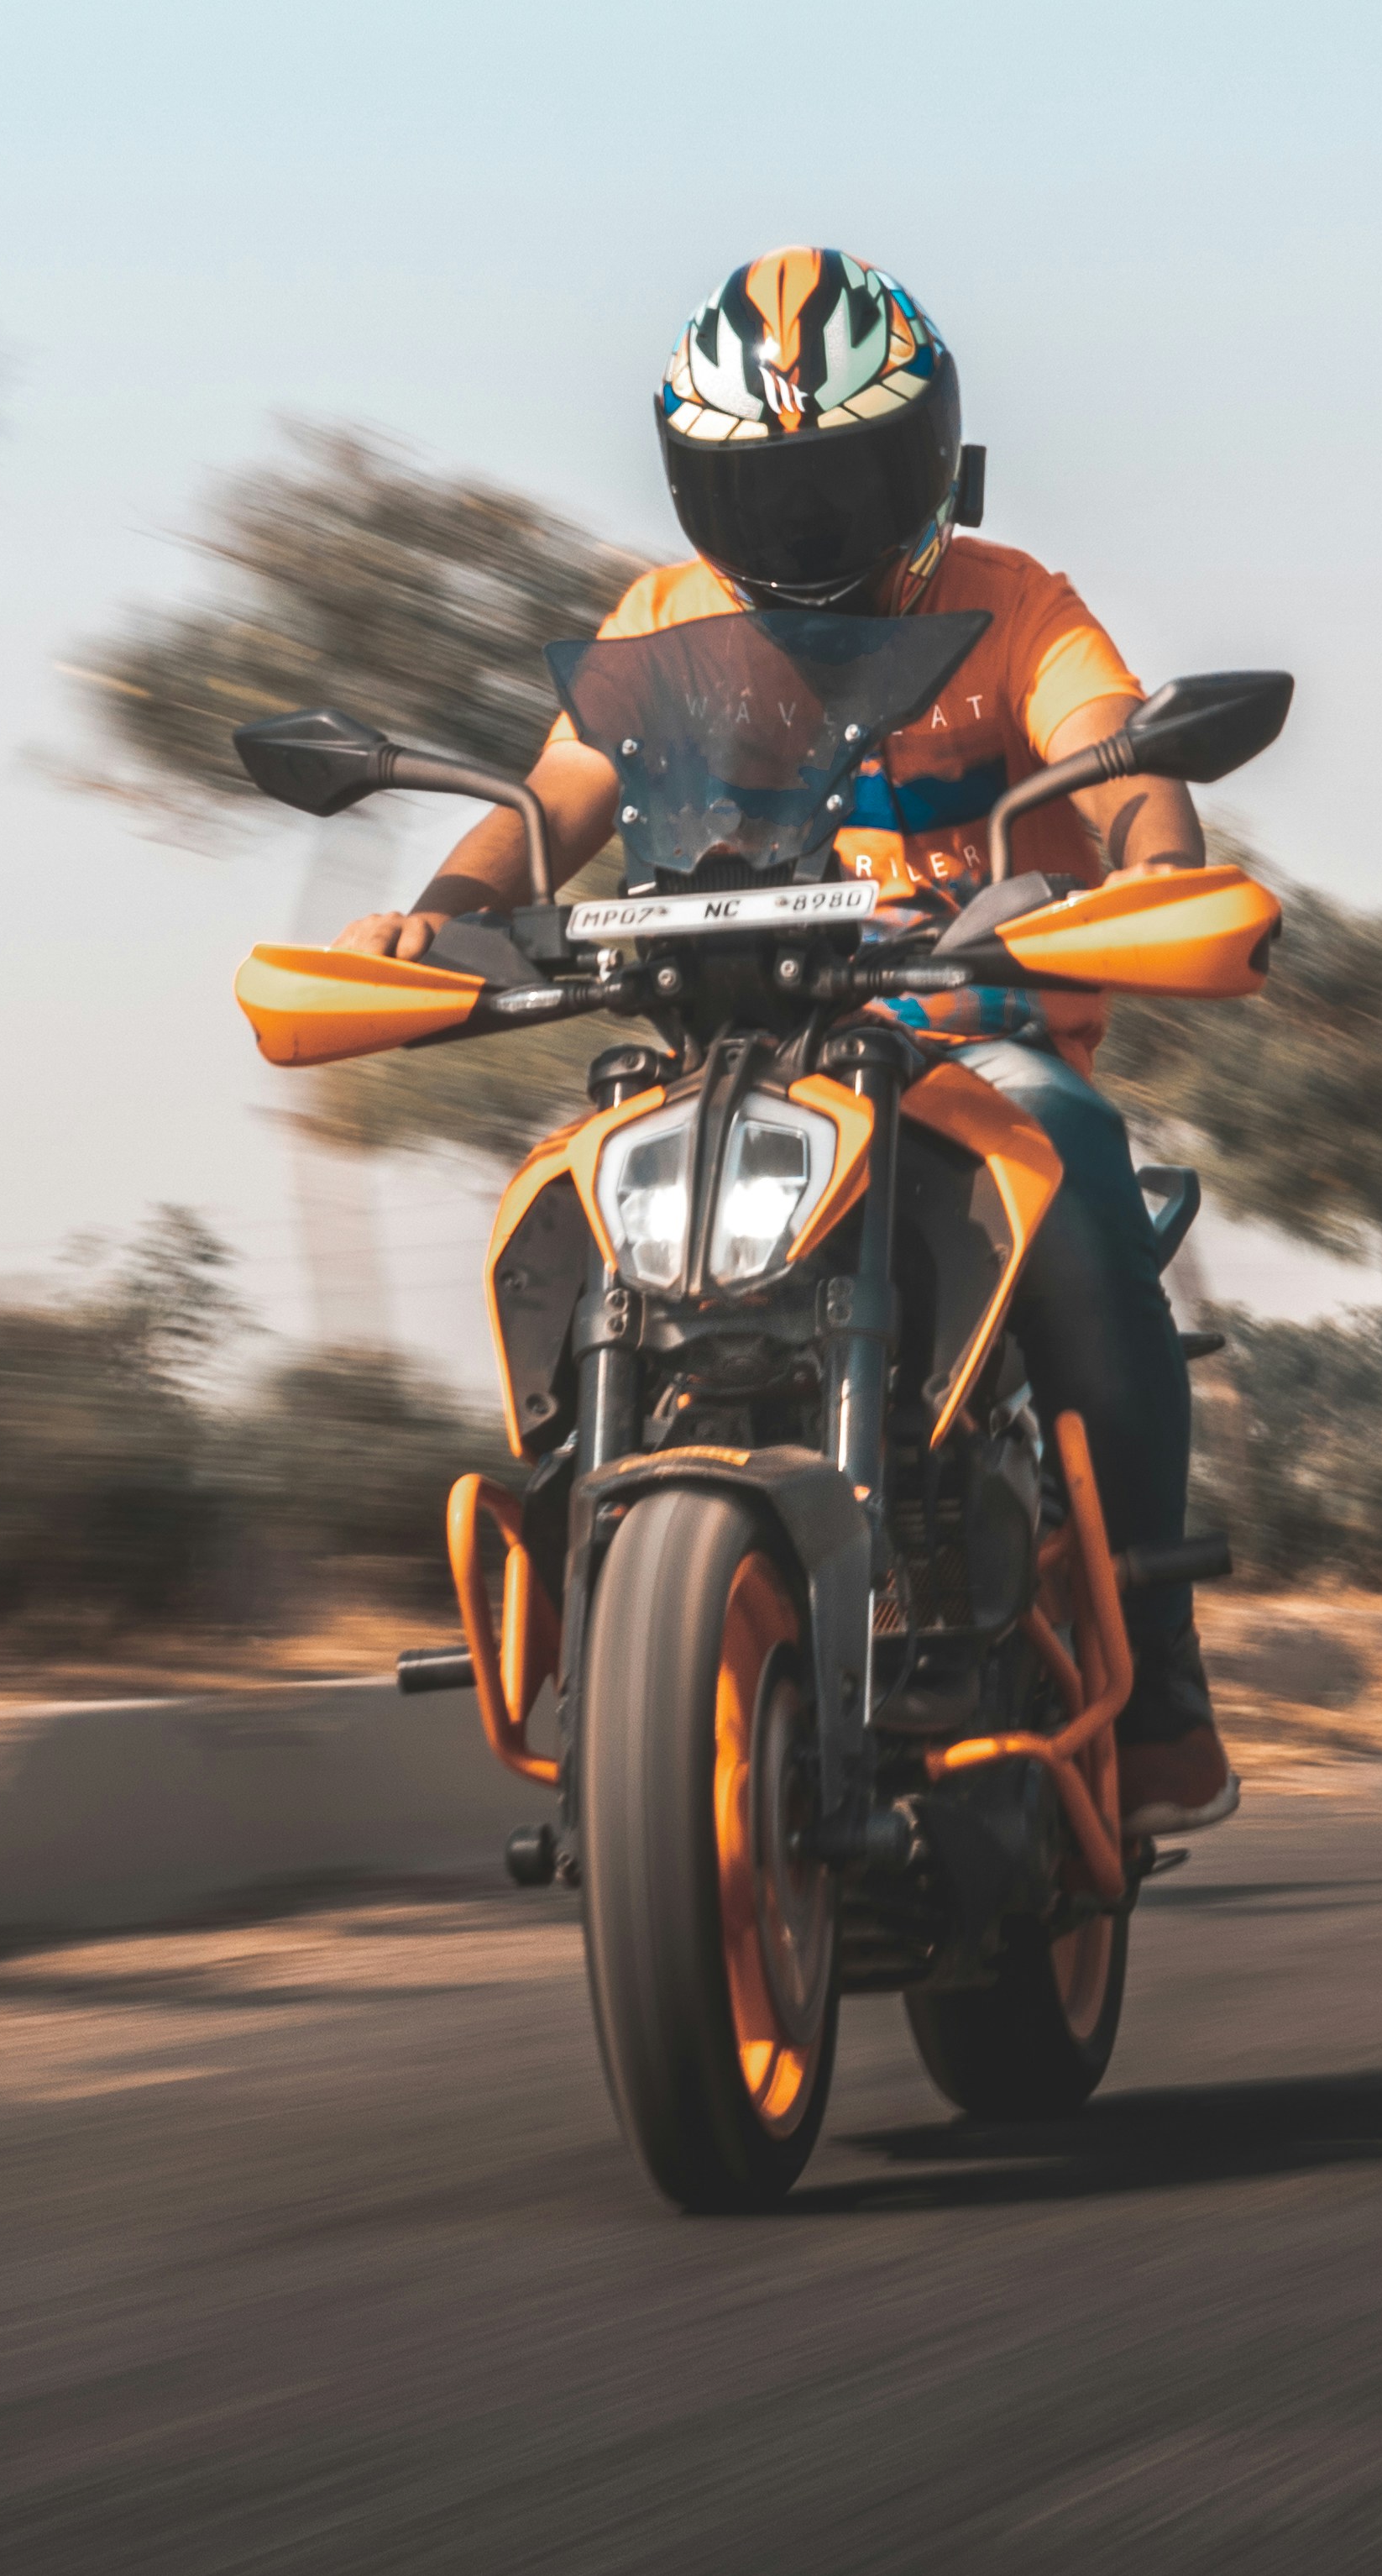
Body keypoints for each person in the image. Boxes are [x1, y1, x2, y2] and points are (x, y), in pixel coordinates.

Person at [333, 246, 1237, 1833]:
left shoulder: (1014, 605)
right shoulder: (666, 620)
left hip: (964, 1046)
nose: (806, 528)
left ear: (925, 464)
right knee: (569, 1181)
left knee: (1073, 1142)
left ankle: (1155, 1658)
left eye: (843, 482)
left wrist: (1160, 861)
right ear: (698, 494)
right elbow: (555, 801)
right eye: (766, 492)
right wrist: (434, 910)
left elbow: (1116, 753)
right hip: (732, 1048)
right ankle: (595, 1592)